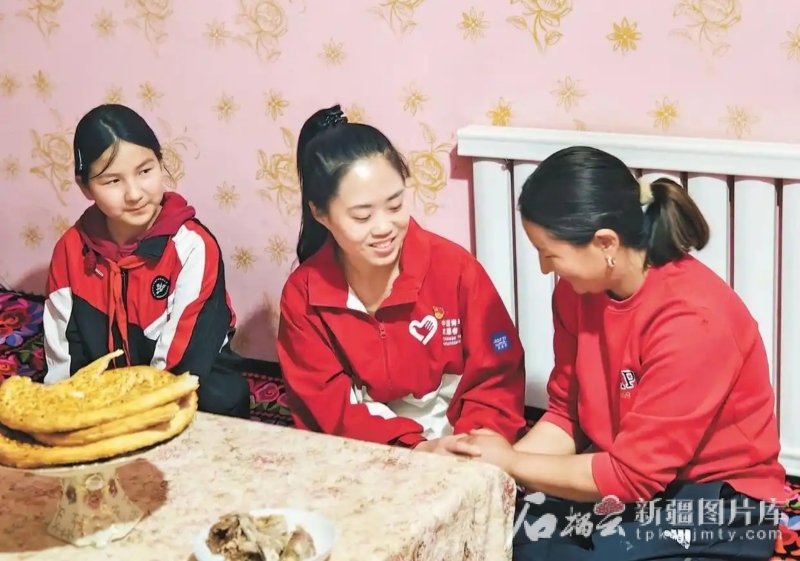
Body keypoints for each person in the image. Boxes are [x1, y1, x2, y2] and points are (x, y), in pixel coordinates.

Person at [460, 146, 785, 560]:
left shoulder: (693, 320)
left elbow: (633, 476)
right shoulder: (576, 295)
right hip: (629, 477)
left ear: (605, 243)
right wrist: (484, 470)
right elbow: (567, 414)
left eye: (550, 253)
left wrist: (511, 462)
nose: (544, 268)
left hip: (717, 499)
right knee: (499, 534)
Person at [276, 104, 527, 454]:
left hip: (461, 435)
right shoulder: (304, 296)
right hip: (369, 444)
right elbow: (326, 404)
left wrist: (474, 440)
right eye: (362, 216)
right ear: (320, 213)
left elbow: (498, 371)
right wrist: (414, 449)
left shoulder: (455, 269)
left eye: (395, 206)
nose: (384, 228)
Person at [43, 103, 251, 419]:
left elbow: (182, 361)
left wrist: (135, 416)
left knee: (222, 395)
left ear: (160, 164)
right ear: (85, 187)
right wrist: (65, 413)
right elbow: (63, 353)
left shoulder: (192, 246)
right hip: (106, 396)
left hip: (187, 385)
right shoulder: (71, 250)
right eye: (113, 181)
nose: (134, 193)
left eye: (145, 171)